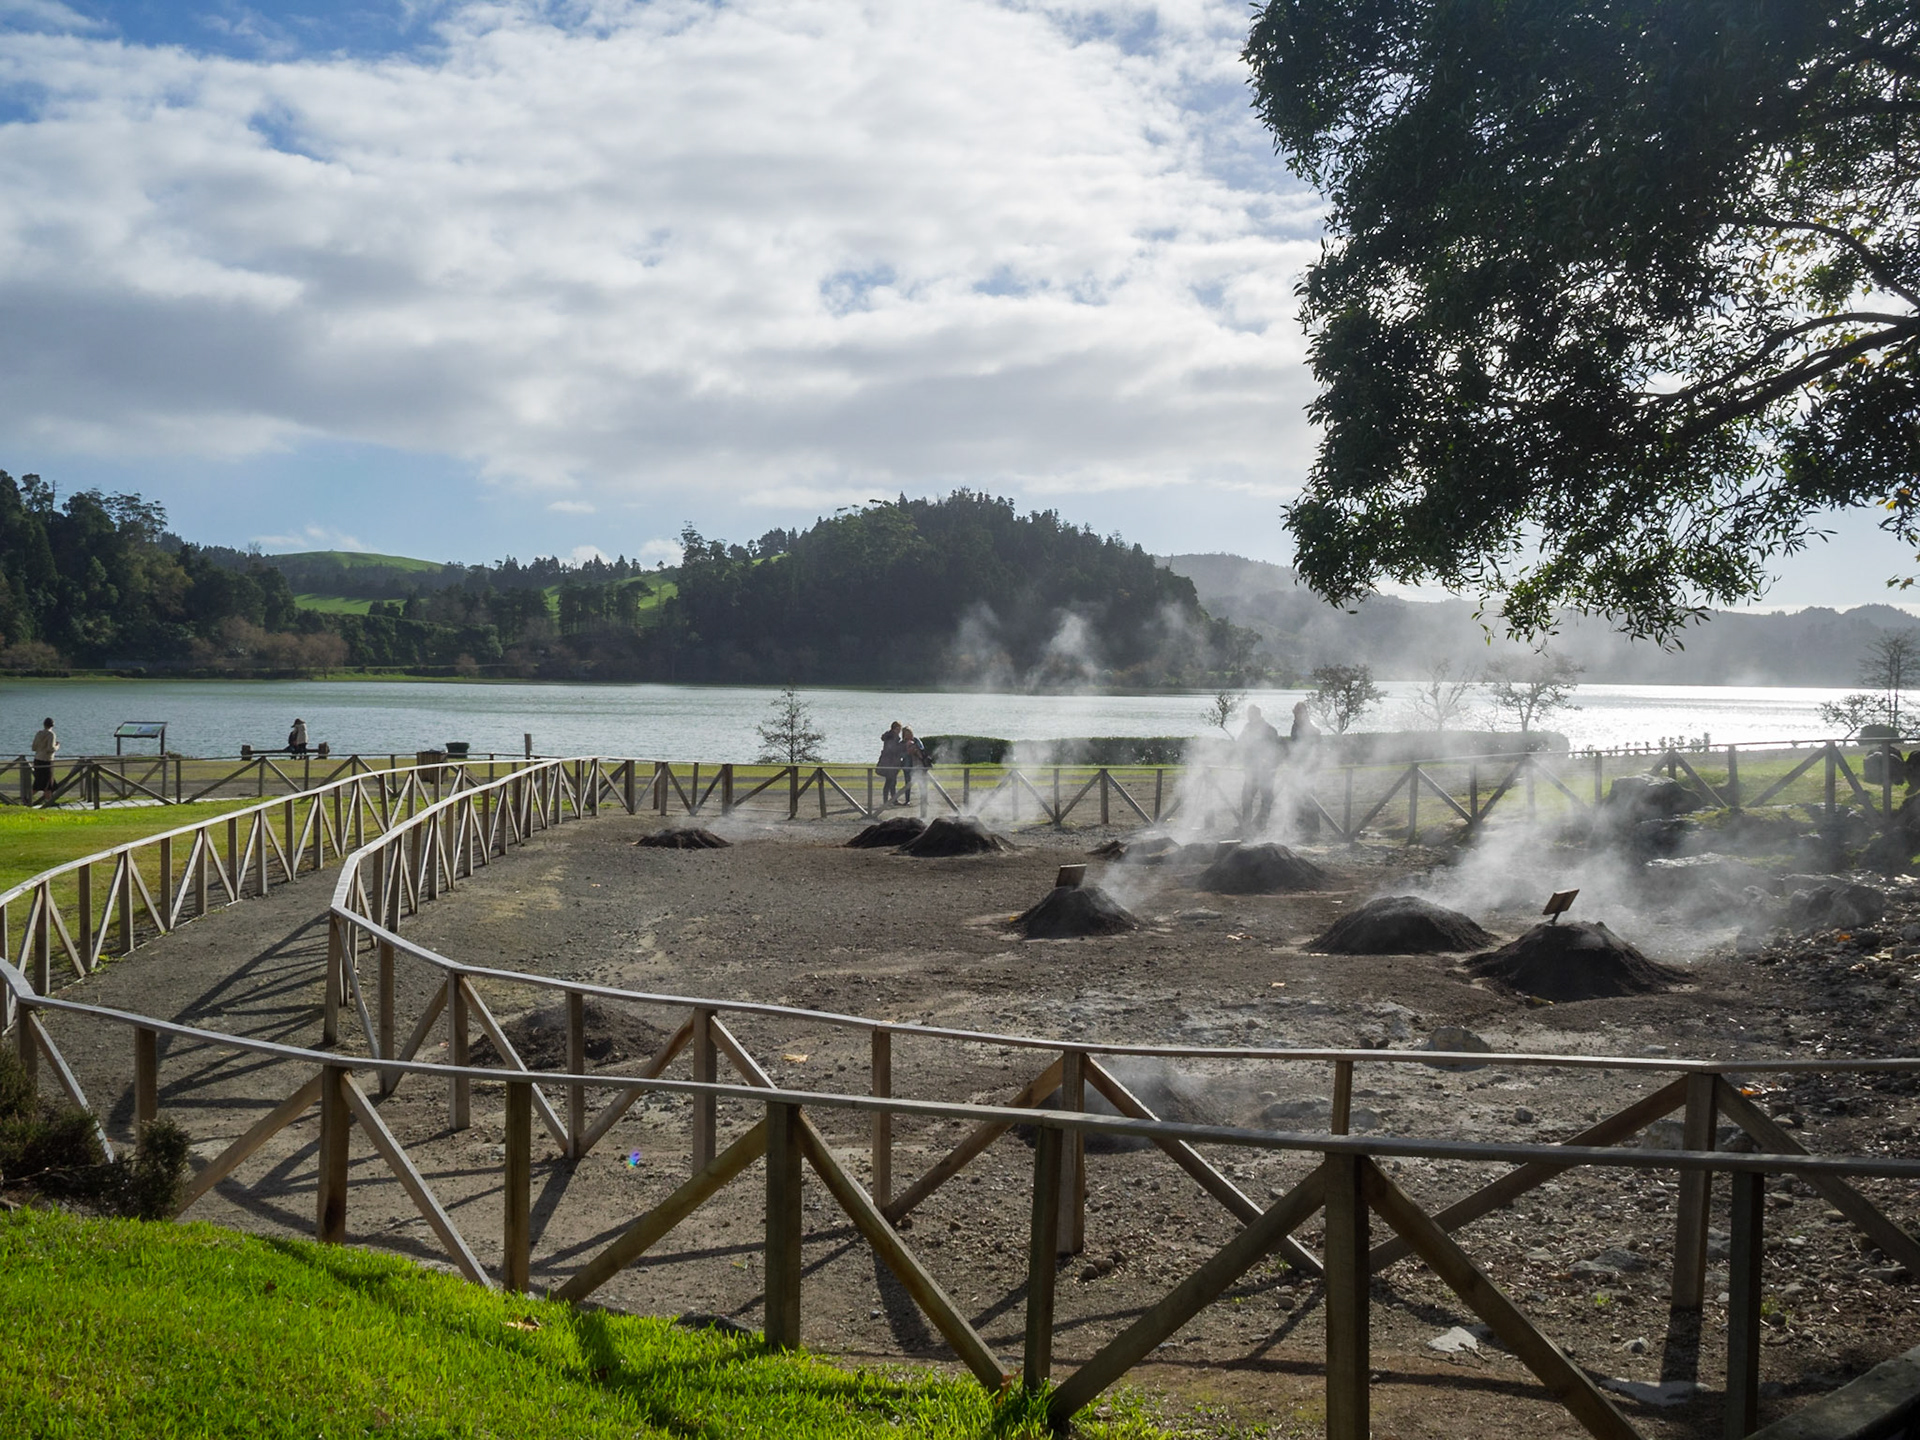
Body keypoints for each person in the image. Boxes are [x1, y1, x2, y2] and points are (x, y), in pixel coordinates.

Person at [1237, 704, 1284, 830]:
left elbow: (1277, 751)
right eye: (1248, 715)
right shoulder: (1247, 728)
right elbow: (1241, 744)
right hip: (1251, 771)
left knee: (1266, 799)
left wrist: (1270, 764)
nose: (1248, 717)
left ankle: (1261, 825)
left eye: (1250, 715)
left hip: (1266, 772)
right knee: (1246, 798)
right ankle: (1246, 825)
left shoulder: (1270, 730)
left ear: (1257, 715)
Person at [899, 726, 930, 804]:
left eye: (909, 733)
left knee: (922, 783)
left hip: (918, 764)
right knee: (908, 783)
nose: (908, 735)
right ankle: (907, 800)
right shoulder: (902, 743)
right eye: (906, 734)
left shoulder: (916, 740)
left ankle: (924, 800)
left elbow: (922, 750)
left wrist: (916, 749)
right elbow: (901, 755)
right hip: (907, 765)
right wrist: (908, 752)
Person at [30, 717, 57, 805]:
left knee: (41, 781)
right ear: (52, 725)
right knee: (47, 783)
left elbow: (33, 747)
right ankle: (48, 803)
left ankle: (48, 802)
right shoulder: (51, 734)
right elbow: (50, 748)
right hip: (47, 760)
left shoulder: (38, 734)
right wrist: (57, 746)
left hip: (37, 759)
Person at [877, 721, 905, 806]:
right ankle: (888, 801)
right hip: (890, 763)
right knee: (890, 782)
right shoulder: (892, 737)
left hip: (889, 762)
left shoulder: (889, 737)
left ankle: (891, 800)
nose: (899, 731)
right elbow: (892, 750)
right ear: (895, 728)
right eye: (898, 729)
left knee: (892, 782)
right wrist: (901, 746)